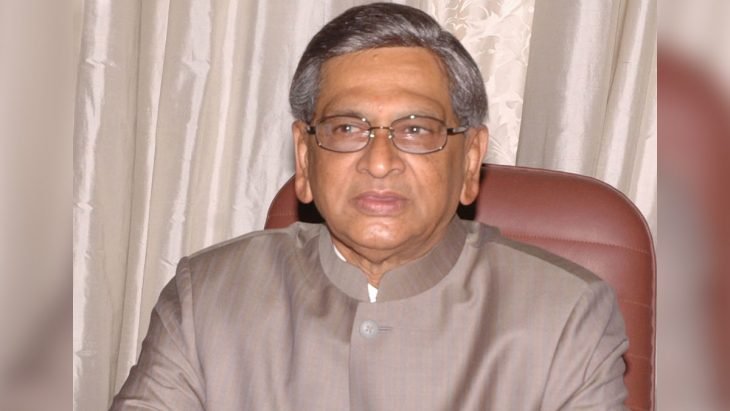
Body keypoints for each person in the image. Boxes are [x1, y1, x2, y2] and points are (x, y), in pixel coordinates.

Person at [111, 3, 628, 410]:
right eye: (347, 128)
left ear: (470, 161)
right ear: (305, 159)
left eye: (416, 129)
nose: (379, 162)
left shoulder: (566, 316)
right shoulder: (207, 297)